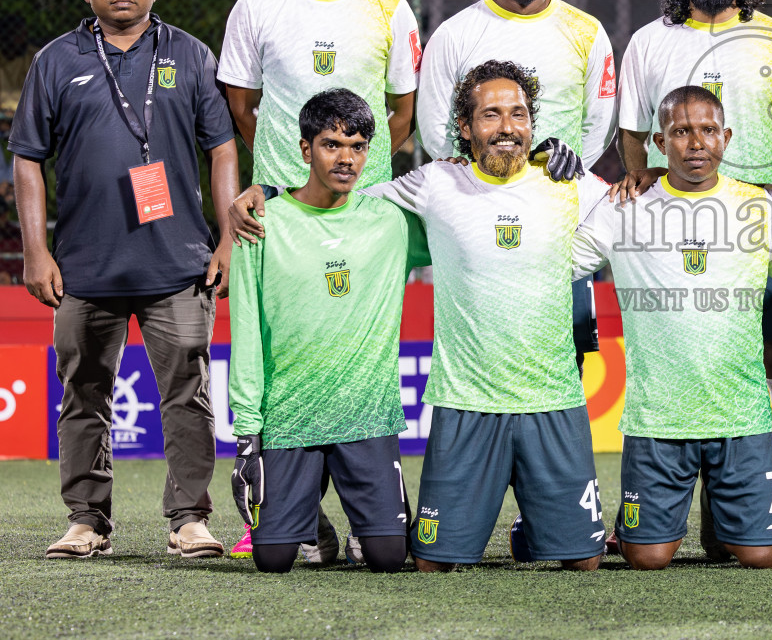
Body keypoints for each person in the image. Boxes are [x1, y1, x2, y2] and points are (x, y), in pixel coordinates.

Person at [232, 60, 597, 570]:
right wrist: (265, 191)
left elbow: (630, 213)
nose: (507, 126)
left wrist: (569, 160)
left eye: (518, 115)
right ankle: (309, 519)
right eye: (491, 115)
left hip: (520, 396)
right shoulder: (423, 187)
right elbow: (338, 205)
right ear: (466, 129)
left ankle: (526, 531)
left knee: (574, 563)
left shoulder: (567, 183)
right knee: (378, 561)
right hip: (428, 402)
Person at [12, 0, 238, 560]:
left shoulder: (192, 56)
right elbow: (27, 159)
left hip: (178, 264)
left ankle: (189, 519)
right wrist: (36, 251)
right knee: (82, 392)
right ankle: (87, 520)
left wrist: (224, 241)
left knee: (188, 395)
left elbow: (221, 148)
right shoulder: (56, 60)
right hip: (85, 267)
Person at [615, 0, 772, 469]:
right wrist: (645, 179)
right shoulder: (651, 41)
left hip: (755, 217)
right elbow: (632, 130)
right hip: (675, 220)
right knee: (686, 334)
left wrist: (768, 188)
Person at [572, 86, 772, 570]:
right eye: (681, 132)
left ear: (726, 138)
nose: (696, 143)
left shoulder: (758, 207)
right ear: (659, 143)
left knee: (759, 558)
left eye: (708, 131)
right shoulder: (624, 204)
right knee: (647, 560)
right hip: (658, 419)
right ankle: (638, 525)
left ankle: (723, 511)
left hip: (741, 416)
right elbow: (564, 261)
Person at [229, 89, 427, 574]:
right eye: (331, 144)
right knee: (272, 560)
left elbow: (471, 219)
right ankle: (312, 522)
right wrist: (247, 432)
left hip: (366, 416)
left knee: (387, 557)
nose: (346, 158)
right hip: (290, 416)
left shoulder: (391, 223)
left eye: (358, 146)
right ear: (304, 149)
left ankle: (376, 512)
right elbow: (247, 330)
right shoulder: (262, 225)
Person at [416, 0, 616, 368]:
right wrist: (483, 182)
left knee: (563, 360)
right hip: (477, 213)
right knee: (479, 345)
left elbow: (599, 123)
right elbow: (435, 131)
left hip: (558, 220)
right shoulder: (456, 33)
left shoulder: (585, 31)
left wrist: (566, 174)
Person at [218, 0, 420, 193]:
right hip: (281, 192)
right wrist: (283, 162)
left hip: (365, 194)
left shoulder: (391, 8)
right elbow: (242, 109)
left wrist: (365, 166)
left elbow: (405, 112)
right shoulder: (255, 5)